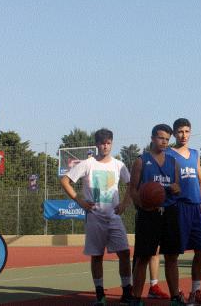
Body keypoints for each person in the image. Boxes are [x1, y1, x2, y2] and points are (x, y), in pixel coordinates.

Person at [60, 128, 133, 305]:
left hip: (114, 217)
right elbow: (64, 180)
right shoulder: (87, 164)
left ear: (112, 143)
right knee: (97, 256)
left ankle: (127, 293)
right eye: (102, 143)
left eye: (108, 143)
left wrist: (124, 204)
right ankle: (100, 295)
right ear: (97, 144)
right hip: (94, 217)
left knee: (124, 253)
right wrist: (79, 200)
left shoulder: (118, 164)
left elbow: (131, 184)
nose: (105, 146)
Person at [128, 124, 185, 306]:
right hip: (148, 214)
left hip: (169, 212)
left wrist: (177, 189)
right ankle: (136, 297)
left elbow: (177, 187)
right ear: (152, 138)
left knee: (171, 257)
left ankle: (175, 296)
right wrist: (142, 205)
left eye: (167, 139)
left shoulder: (173, 162)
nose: (164, 142)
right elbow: (133, 189)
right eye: (161, 138)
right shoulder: (141, 161)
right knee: (143, 257)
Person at [165, 118, 201, 306]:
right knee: (172, 254)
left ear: (190, 132)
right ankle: (175, 296)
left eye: (186, 131)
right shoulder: (168, 154)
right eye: (180, 132)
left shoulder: (195, 153)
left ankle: (195, 292)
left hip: (196, 207)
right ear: (174, 133)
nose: (183, 135)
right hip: (177, 207)